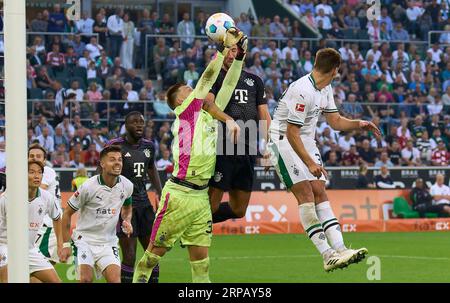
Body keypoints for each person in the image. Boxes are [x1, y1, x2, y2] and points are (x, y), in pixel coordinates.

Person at [133, 28, 246, 283]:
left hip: (200, 198)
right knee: (152, 256)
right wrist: (222, 49)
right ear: (179, 100)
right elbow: (207, 79)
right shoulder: (185, 113)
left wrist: (239, 56)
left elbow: (228, 84)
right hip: (179, 195)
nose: (192, 88)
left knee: (201, 264)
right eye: (187, 88)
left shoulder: (206, 114)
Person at [268, 48, 381, 272]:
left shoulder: (325, 87)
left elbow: (335, 121)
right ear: (335, 69)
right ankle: (327, 254)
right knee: (306, 194)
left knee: (319, 191)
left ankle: (340, 248)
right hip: (282, 141)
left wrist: (359, 124)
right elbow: (291, 133)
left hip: (306, 139)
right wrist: (310, 162)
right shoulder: (302, 90)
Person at [207, 42, 272, 223]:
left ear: (242, 54)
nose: (230, 55)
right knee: (211, 204)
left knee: (239, 209)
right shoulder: (216, 77)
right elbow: (208, 104)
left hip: (248, 150)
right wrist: (228, 119)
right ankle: (194, 233)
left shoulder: (255, 81)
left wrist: (269, 146)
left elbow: (265, 114)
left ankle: (191, 223)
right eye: (227, 51)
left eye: (234, 51)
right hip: (223, 147)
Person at [61, 145, 133, 283]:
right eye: (112, 159)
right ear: (102, 164)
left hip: (108, 242)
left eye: (120, 160)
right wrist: (65, 245)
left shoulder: (127, 185)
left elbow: (128, 207)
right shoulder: (88, 187)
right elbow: (67, 213)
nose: (117, 163)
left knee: (115, 281)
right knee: (86, 280)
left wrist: (127, 220)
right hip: (84, 240)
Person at [106, 111, 163, 283]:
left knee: (152, 254)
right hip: (124, 207)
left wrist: (160, 192)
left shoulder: (149, 146)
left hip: (145, 205)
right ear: (126, 124)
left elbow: (152, 168)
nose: (139, 125)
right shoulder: (115, 146)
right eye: (135, 122)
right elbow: (102, 170)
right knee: (130, 256)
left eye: (141, 122)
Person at [0, 161, 64, 283]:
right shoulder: (7, 198)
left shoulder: (46, 197)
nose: (37, 176)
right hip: (5, 247)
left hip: (29, 249)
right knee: (7, 279)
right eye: (32, 172)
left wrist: (61, 244)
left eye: (40, 173)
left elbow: (57, 218)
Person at [28, 144, 62, 265]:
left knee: (38, 269)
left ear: (44, 160)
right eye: (31, 156)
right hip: (39, 224)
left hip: (46, 225)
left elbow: (37, 187)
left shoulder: (46, 171)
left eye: (38, 156)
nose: (34, 158)